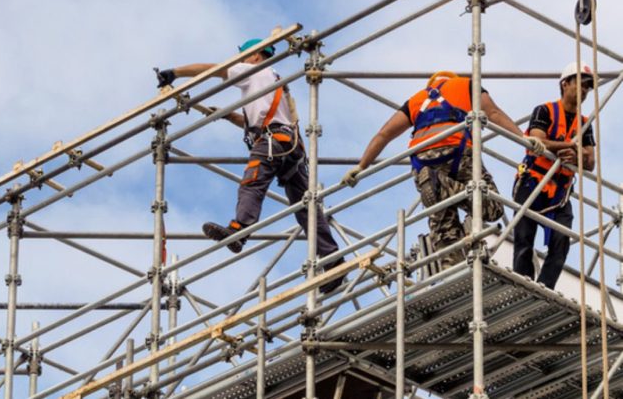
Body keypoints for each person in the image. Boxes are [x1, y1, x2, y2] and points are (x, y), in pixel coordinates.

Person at [156, 38, 345, 294]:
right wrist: (228, 115)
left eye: (244, 57)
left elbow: (215, 69)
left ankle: (239, 230)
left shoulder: (253, 71)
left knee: (252, 183)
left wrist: (175, 73)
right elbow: (260, 121)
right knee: (306, 209)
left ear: (256, 55)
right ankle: (333, 261)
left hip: (271, 143)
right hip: (290, 147)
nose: (241, 62)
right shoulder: (274, 80)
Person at [341, 71, 545, 268]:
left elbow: (384, 133)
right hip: (458, 153)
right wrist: (522, 138)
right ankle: (440, 185)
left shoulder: (416, 100)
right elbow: (493, 112)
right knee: (493, 208)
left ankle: (452, 268)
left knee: (444, 230)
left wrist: (361, 166)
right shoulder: (466, 85)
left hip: (422, 163)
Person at [512, 61, 596, 290]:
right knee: (524, 240)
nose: (585, 90)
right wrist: (567, 145)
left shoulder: (585, 123)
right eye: (581, 84)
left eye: (588, 87)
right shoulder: (545, 110)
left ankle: (544, 288)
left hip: (560, 190)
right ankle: (522, 287)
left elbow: (590, 162)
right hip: (533, 182)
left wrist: (576, 155)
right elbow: (536, 142)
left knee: (561, 242)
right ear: (565, 83)